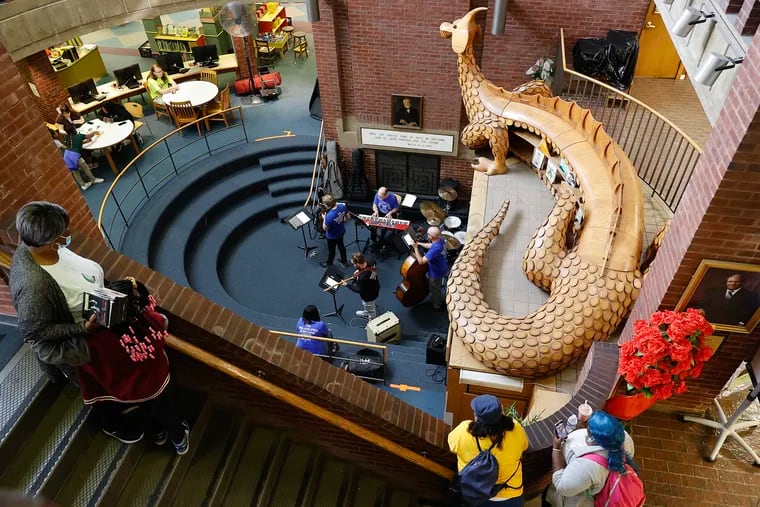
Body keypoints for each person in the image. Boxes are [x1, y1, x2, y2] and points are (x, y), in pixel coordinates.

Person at [78, 278, 190, 453]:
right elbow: (163, 322)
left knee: (146, 411)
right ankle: (179, 441)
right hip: (156, 383)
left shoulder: (96, 340)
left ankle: (158, 434)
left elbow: (88, 364)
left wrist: (87, 328)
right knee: (167, 412)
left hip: (130, 391)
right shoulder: (147, 321)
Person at [9, 202, 100, 385]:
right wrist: (82, 328)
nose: (69, 232)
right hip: (87, 348)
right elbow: (35, 332)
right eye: (65, 230)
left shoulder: (35, 245)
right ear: (48, 241)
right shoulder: (35, 287)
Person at [448, 394, 529, 506]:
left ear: (476, 416)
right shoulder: (516, 429)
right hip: (510, 496)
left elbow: (451, 445)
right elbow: (525, 447)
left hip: (474, 495)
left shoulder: (464, 430)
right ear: (501, 413)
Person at [546, 411, 637, 507]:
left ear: (593, 439)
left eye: (588, 429)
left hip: (584, 501)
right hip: (615, 488)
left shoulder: (586, 467)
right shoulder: (625, 438)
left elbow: (561, 486)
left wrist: (556, 448)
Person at [413, 226, 449, 311]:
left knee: (435, 289)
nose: (426, 235)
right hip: (442, 265)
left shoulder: (435, 250)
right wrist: (419, 244)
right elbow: (431, 245)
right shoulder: (440, 239)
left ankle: (437, 305)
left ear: (431, 237)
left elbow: (421, 261)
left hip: (436, 272)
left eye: (428, 234)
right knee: (437, 286)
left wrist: (415, 248)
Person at [56, 102, 99, 170]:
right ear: (62, 113)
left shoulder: (73, 112)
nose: (66, 115)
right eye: (64, 114)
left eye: (67, 113)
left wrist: (77, 121)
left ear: (69, 111)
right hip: (70, 136)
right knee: (80, 145)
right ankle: (88, 161)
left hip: (78, 131)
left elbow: (82, 120)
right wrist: (64, 132)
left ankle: (89, 157)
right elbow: (60, 129)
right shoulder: (60, 119)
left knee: (88, 140)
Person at [347, 252, 380, 319]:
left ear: (358, 264)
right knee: (370, 305)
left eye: (354, 264)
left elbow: (359, 290)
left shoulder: (362, 278)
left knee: (369, 307)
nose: (353, 265)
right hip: (375, 285)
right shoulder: (370, 260)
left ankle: (371, 317)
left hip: (368, 295)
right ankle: (367, 311)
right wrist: (358, 271)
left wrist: (347, 285)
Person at [320, 194, 349, 268]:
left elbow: (325, 228)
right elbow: (347, 217)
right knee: (341, 246)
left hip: (332, 236)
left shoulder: (329, 216)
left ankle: (329, 263)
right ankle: (344, 261)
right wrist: (339, 222)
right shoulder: (343, 206)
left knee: (332, 250)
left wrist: (324, 218)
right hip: (341, 231)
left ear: (327, 205)